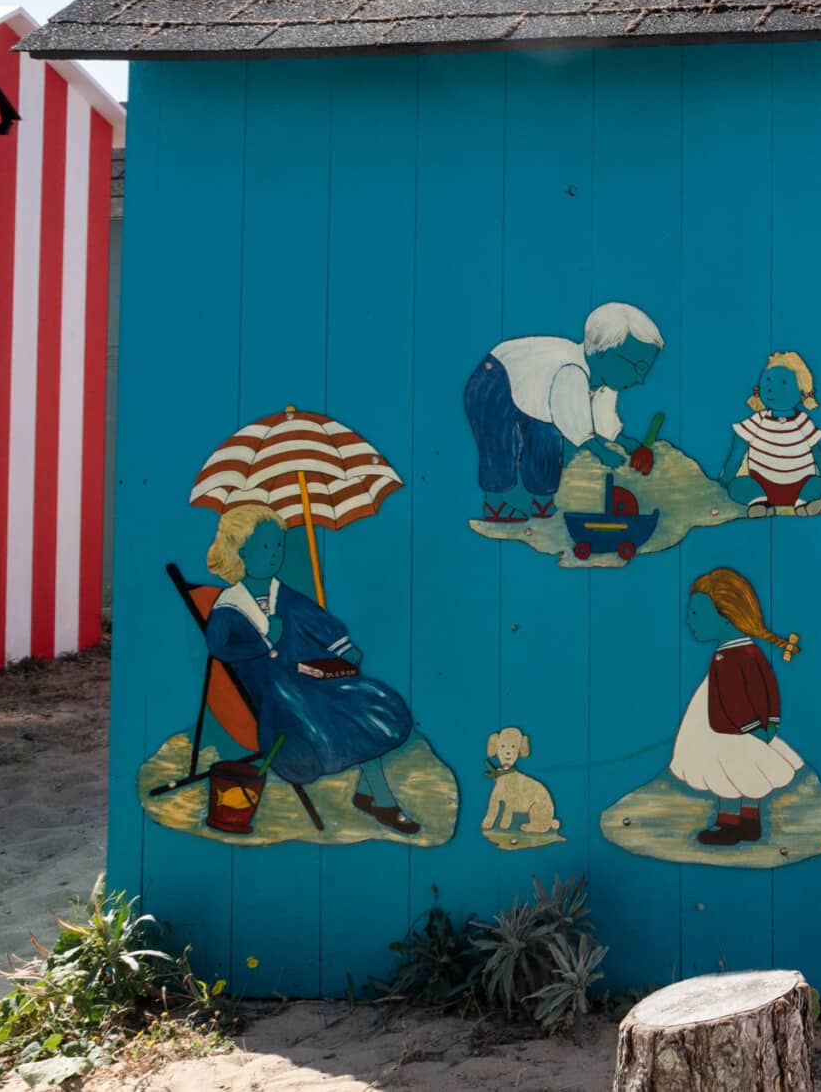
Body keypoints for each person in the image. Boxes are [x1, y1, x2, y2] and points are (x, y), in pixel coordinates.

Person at [202, 502, 422, 834]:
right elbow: (219, 647)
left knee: (367, 702)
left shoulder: (284, 595)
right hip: (276, 695)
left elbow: (319, 622)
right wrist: (263, 642)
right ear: (240, 550)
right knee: (330, 721)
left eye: (279, 545)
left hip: (309, 679)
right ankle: (382, 798)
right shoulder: (229, 606)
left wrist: (343, 649)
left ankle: (375, 795)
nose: (274, 553)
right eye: (264, 546)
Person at [465, 302, 662, 520]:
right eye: (639, 367)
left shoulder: (604, 380)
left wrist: (625, 442)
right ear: (604, 354)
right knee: (500, 445)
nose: (642, 379)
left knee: (547, 443)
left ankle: (542, 500)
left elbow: (602, 418)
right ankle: (496, 503)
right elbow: (574, 424)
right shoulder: (572, 370)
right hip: (495, 382)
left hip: (537, 403)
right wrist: (602, 451)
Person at [670, 568, 803, 846]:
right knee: (749, 770)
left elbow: (734, 701)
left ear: (725, 615)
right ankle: (750, 821)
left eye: (695, 614)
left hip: (730, 732)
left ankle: (729, 825)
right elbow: (769, 690)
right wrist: (770, 723)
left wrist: (752, 727)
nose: (688, 621)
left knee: (726, 773)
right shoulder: (752, 652)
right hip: (754, 729)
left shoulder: (726, 659)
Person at [716, 352, 821, 515]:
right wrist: (725, 480)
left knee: (816, 482)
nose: (771, 388)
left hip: (799, 485)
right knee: (738, 485)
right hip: (762, 484)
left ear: (801, 392)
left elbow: (819, 457)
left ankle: (803, 503)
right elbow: (736, 453)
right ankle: (760, 502)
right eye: (768, 380)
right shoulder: (758, 420)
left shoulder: (802, 422)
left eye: (783, 382)